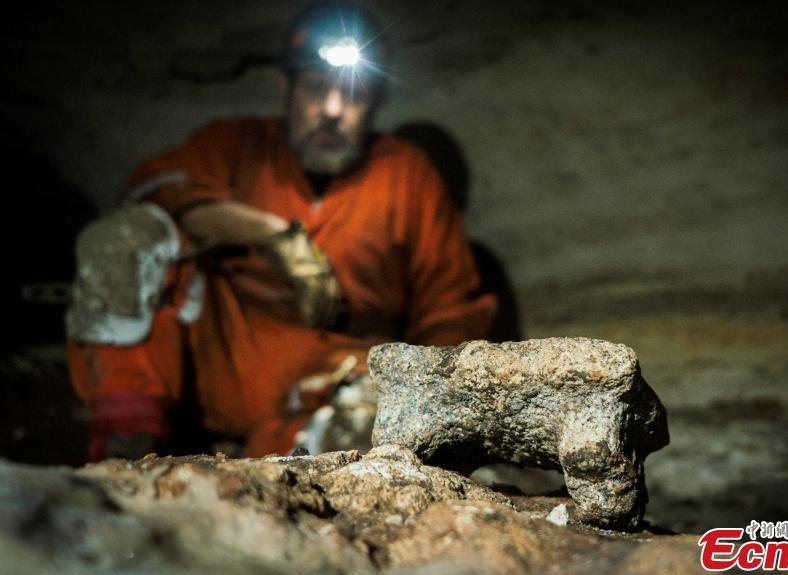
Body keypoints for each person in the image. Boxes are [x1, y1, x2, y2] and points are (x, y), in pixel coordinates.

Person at [66, 2, 496, 460]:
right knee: (127, 236)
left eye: (352, 94)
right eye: (316, 88)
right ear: (284, 88)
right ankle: (126, 441)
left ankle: (298, 460)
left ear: (376, 101)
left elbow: (451, 310)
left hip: (335, 397)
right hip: (211, 383)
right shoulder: (239, 147)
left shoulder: (405, 174)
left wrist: (399, 387)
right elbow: (150, 191)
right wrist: (270, 235)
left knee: (361, 430)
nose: (332, 109)